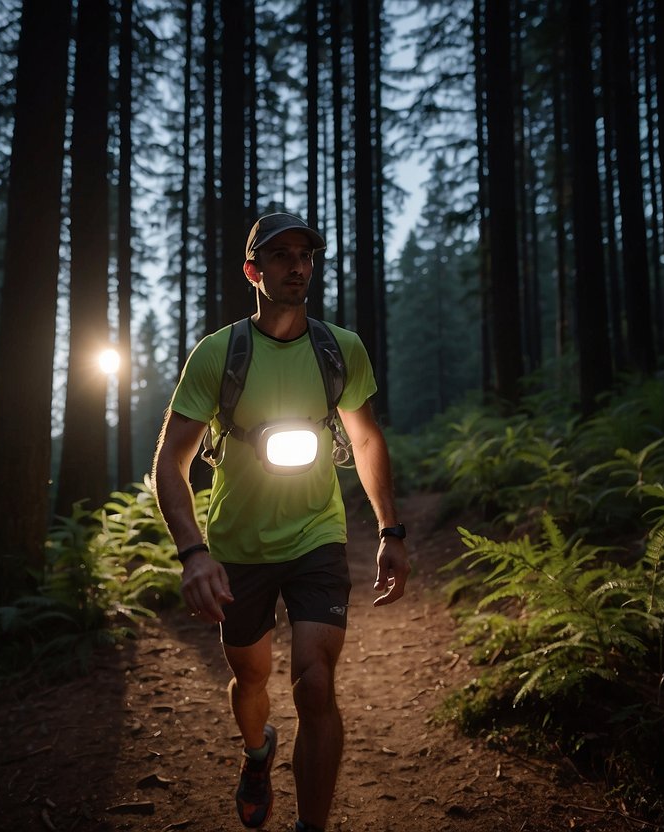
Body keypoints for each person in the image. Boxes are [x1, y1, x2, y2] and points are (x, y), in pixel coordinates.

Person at [153, 213, 410, 832]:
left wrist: (390, 532)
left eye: (305, 255)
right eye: (280, 256)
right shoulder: (219, 354)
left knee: (315, 682)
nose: (297, 266)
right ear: (254, 271)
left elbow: (367, 441)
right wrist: (193, 553)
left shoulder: (339, 349)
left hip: (316, 536)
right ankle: (256, 752)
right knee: (251, 679)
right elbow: (171, 461)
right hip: (238, 545)